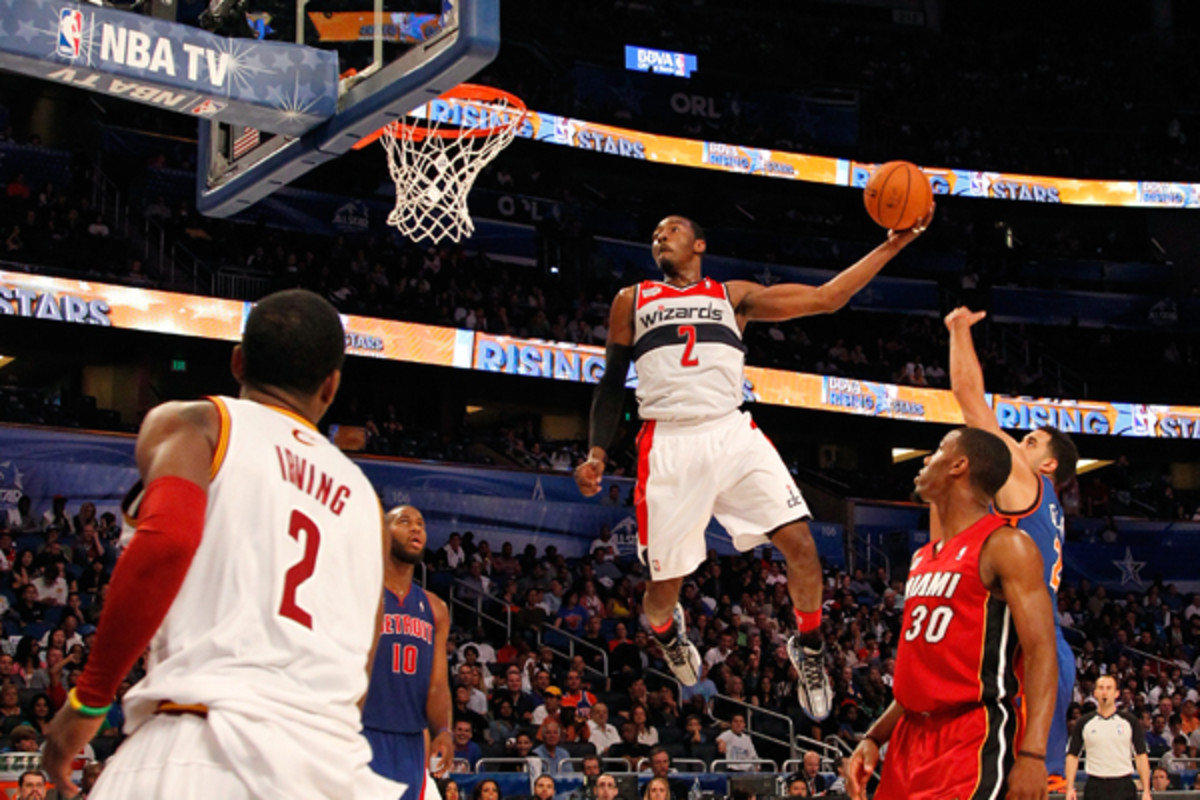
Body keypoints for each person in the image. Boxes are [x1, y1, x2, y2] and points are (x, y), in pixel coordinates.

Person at [41, 289, 404, 799]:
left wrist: (88, 702)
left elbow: (167, 541)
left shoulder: (199, 424)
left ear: (237, 361)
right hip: (330, 770)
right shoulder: (366, 502)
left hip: (200, 745)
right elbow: (363, 658)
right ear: (331, 386)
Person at [576, 212, 931, 721]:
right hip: (669, 442)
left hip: (730, 430)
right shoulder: (631, 300)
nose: (659, 235)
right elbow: (611, 382)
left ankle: (808, 649)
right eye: (654, 232)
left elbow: (828, 297)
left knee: (802, 547)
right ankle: (668, 632)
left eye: (671, 228)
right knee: (658, 599)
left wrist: (893, 245)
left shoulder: (733, 295)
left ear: (700, 242)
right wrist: (596, 452)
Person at [845, 428, 1058, 800]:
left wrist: (1033, 754)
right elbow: (924, 679)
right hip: (909, 740)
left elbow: (1042, 652)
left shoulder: (1007, 545)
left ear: (959, 465)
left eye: (938, 451)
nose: (925, 460)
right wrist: (875, 736)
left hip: (972, 734)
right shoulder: (922, 558)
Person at [945, 306, 1080, 787]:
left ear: (1045, 466)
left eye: (1028, 441)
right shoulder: (1049, 509)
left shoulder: (1024, 482)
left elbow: (969, 401)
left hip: (1023, 648)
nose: (1016, 447)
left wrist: (958, 329)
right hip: (1048, 645)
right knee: (1041, 784)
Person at [363, 505, 453, 792]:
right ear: (382, 534)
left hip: (411, 740)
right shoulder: (362, 593)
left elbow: (437, 684)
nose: (416, 528)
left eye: (421, 524)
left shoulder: (435, 608)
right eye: (404, 522)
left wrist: (444, 731)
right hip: (361, 730)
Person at [1064, 675, 1151, 800]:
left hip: (1123, 785)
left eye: (1109, 688)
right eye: (1101, 688)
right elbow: (1072, 756)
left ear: (1116, 693)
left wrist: (1146, 791)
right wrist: (1069, 788)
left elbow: (1141, 755)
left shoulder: (1129, 721)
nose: (1104, 692)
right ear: (1095, 693)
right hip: (1096, 786)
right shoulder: (1084, 722)